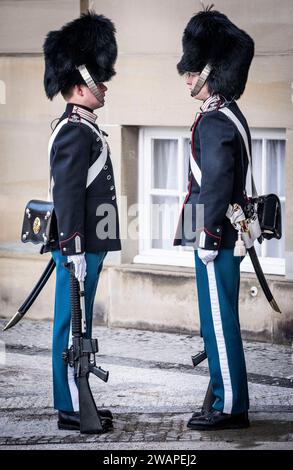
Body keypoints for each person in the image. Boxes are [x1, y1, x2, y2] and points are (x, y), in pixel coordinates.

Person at [174, 6, 255, 430]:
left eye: (192, 71)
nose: (187, 78)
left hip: (217, 239)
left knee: (219, 325)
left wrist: (204, 237)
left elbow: (217, 186)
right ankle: (224, 396)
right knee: (218, 321)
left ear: (210, 70)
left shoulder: (215, 119)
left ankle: (230, 408)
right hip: (222, 236)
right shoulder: (225, 113)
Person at [42, 11, 121, 432]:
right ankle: (71, 406)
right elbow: (68, 195)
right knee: (72, 328)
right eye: (99, 79)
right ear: (79, 86)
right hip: (79, 247)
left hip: (87, 244)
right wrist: (73, 251)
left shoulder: (85, 128)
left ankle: (75, 399)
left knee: (80, 325)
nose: (105, 85)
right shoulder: (75, 130)